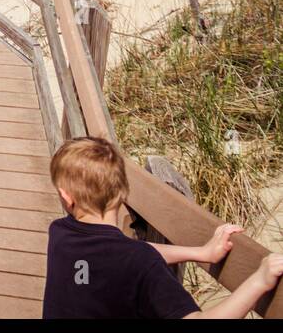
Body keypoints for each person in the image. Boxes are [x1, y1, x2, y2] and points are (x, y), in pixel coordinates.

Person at [42, 136, 283, 318]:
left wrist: (199, 253)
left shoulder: (61, 233)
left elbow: (128, 253)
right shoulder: (138, 262)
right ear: (123, 193)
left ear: (66, 197)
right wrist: (258, 280)